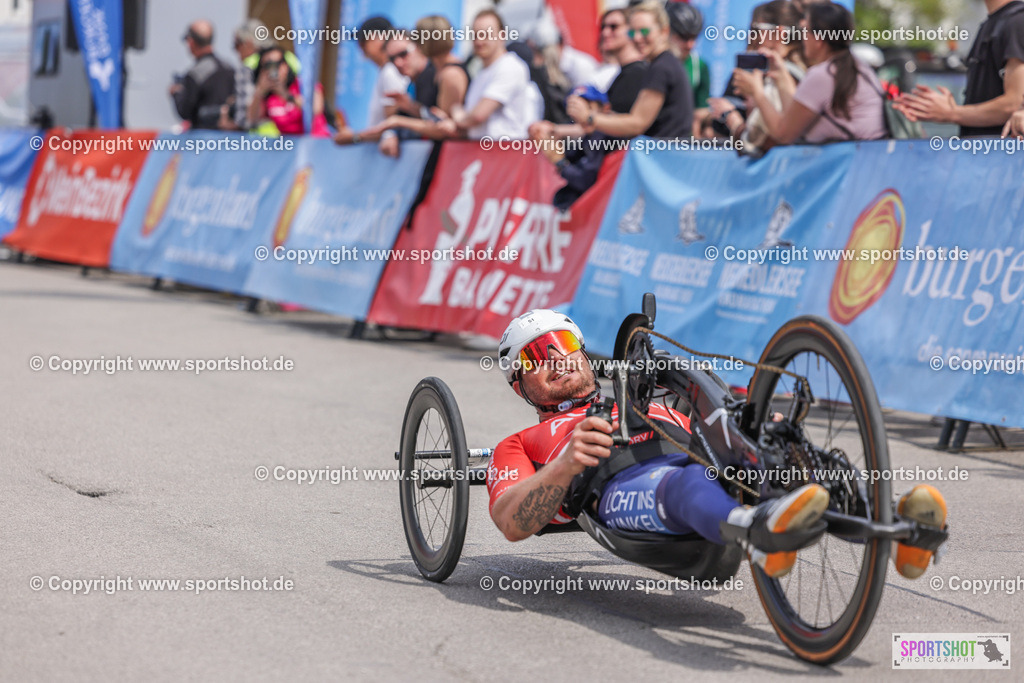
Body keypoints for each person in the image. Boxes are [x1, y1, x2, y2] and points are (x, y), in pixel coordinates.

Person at [488, 309, 948, 582]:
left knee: (791, 457)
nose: (556, 357)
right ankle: (760, 531)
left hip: (709, 467)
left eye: (564, 342)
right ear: (519, 385)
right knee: (686, 482)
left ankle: (897, 526)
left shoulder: (648, 398)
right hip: (618, 490)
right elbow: (511, 521)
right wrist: (565, 465)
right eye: (534, 355)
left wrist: (755, 423)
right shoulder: (520, 443)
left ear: (583, 350)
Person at [733, 2, 885, 144]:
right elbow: (793, 115)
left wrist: (757, 93)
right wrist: (781, 75)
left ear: (818, 40)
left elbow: (783, 134)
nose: (801, 38)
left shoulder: (822, 75)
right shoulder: (860, 68)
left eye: (805, 31)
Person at [896, 0, 1024, 137]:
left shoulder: (1017, 21)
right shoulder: (993, 23)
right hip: (982, 153)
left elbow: (1014, 103)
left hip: (1001, 155)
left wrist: (952, 112)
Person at [566, 2, 693, 140]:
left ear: (664, 31)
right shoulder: (664, 63)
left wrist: (589, 117)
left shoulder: (661, 67)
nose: (637, 38)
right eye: (632, 32)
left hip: (664, 157)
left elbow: (637, 123)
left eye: (644, 31)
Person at [529, 8, 647, 143]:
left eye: (614, 27)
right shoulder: (619, 74)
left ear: (632, 31)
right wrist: (555, 129)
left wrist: (588, 117)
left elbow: (632, 126)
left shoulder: (639, 72)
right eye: (603, 27)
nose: (605, 32)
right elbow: (599, 127)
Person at [438, 10, 542, 140]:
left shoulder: (510, 66)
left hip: (508, 153)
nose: (479, 41)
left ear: (502, 35)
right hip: (485, 153)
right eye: (475, 35)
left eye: (486, 35)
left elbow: (477, 116)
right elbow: (475, 127)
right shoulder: (482, 73)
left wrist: (456, 113)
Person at [720, 0, 806, 154]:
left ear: (780, 33)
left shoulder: (785, 75)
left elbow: (759, 140)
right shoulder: (796, 72)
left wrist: (732, 119)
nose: (751, 36)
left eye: (756, 29)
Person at [247, 46, 330, 137]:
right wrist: (259, 92)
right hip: (291, 146)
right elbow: (252, 120)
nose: (273, 69)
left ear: (286, 66)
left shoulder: (304, 85)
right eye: (267, 65)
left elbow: (316, 109)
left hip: (316, 141)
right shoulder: (268, 95)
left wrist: (285, 95)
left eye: (277, 64)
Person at [169, 20, 235, 130]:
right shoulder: (229, 68)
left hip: (201, 139)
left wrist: (176, 93)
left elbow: (184, 112)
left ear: (191, 42)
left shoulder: (195, 74)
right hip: (229, 139)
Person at [665, 1, 711, 137]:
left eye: (694, 37)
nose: (690, 44)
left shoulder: (699, 66)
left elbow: (700, 113)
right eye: (683, 37)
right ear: (666, 31)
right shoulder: (649, 62)